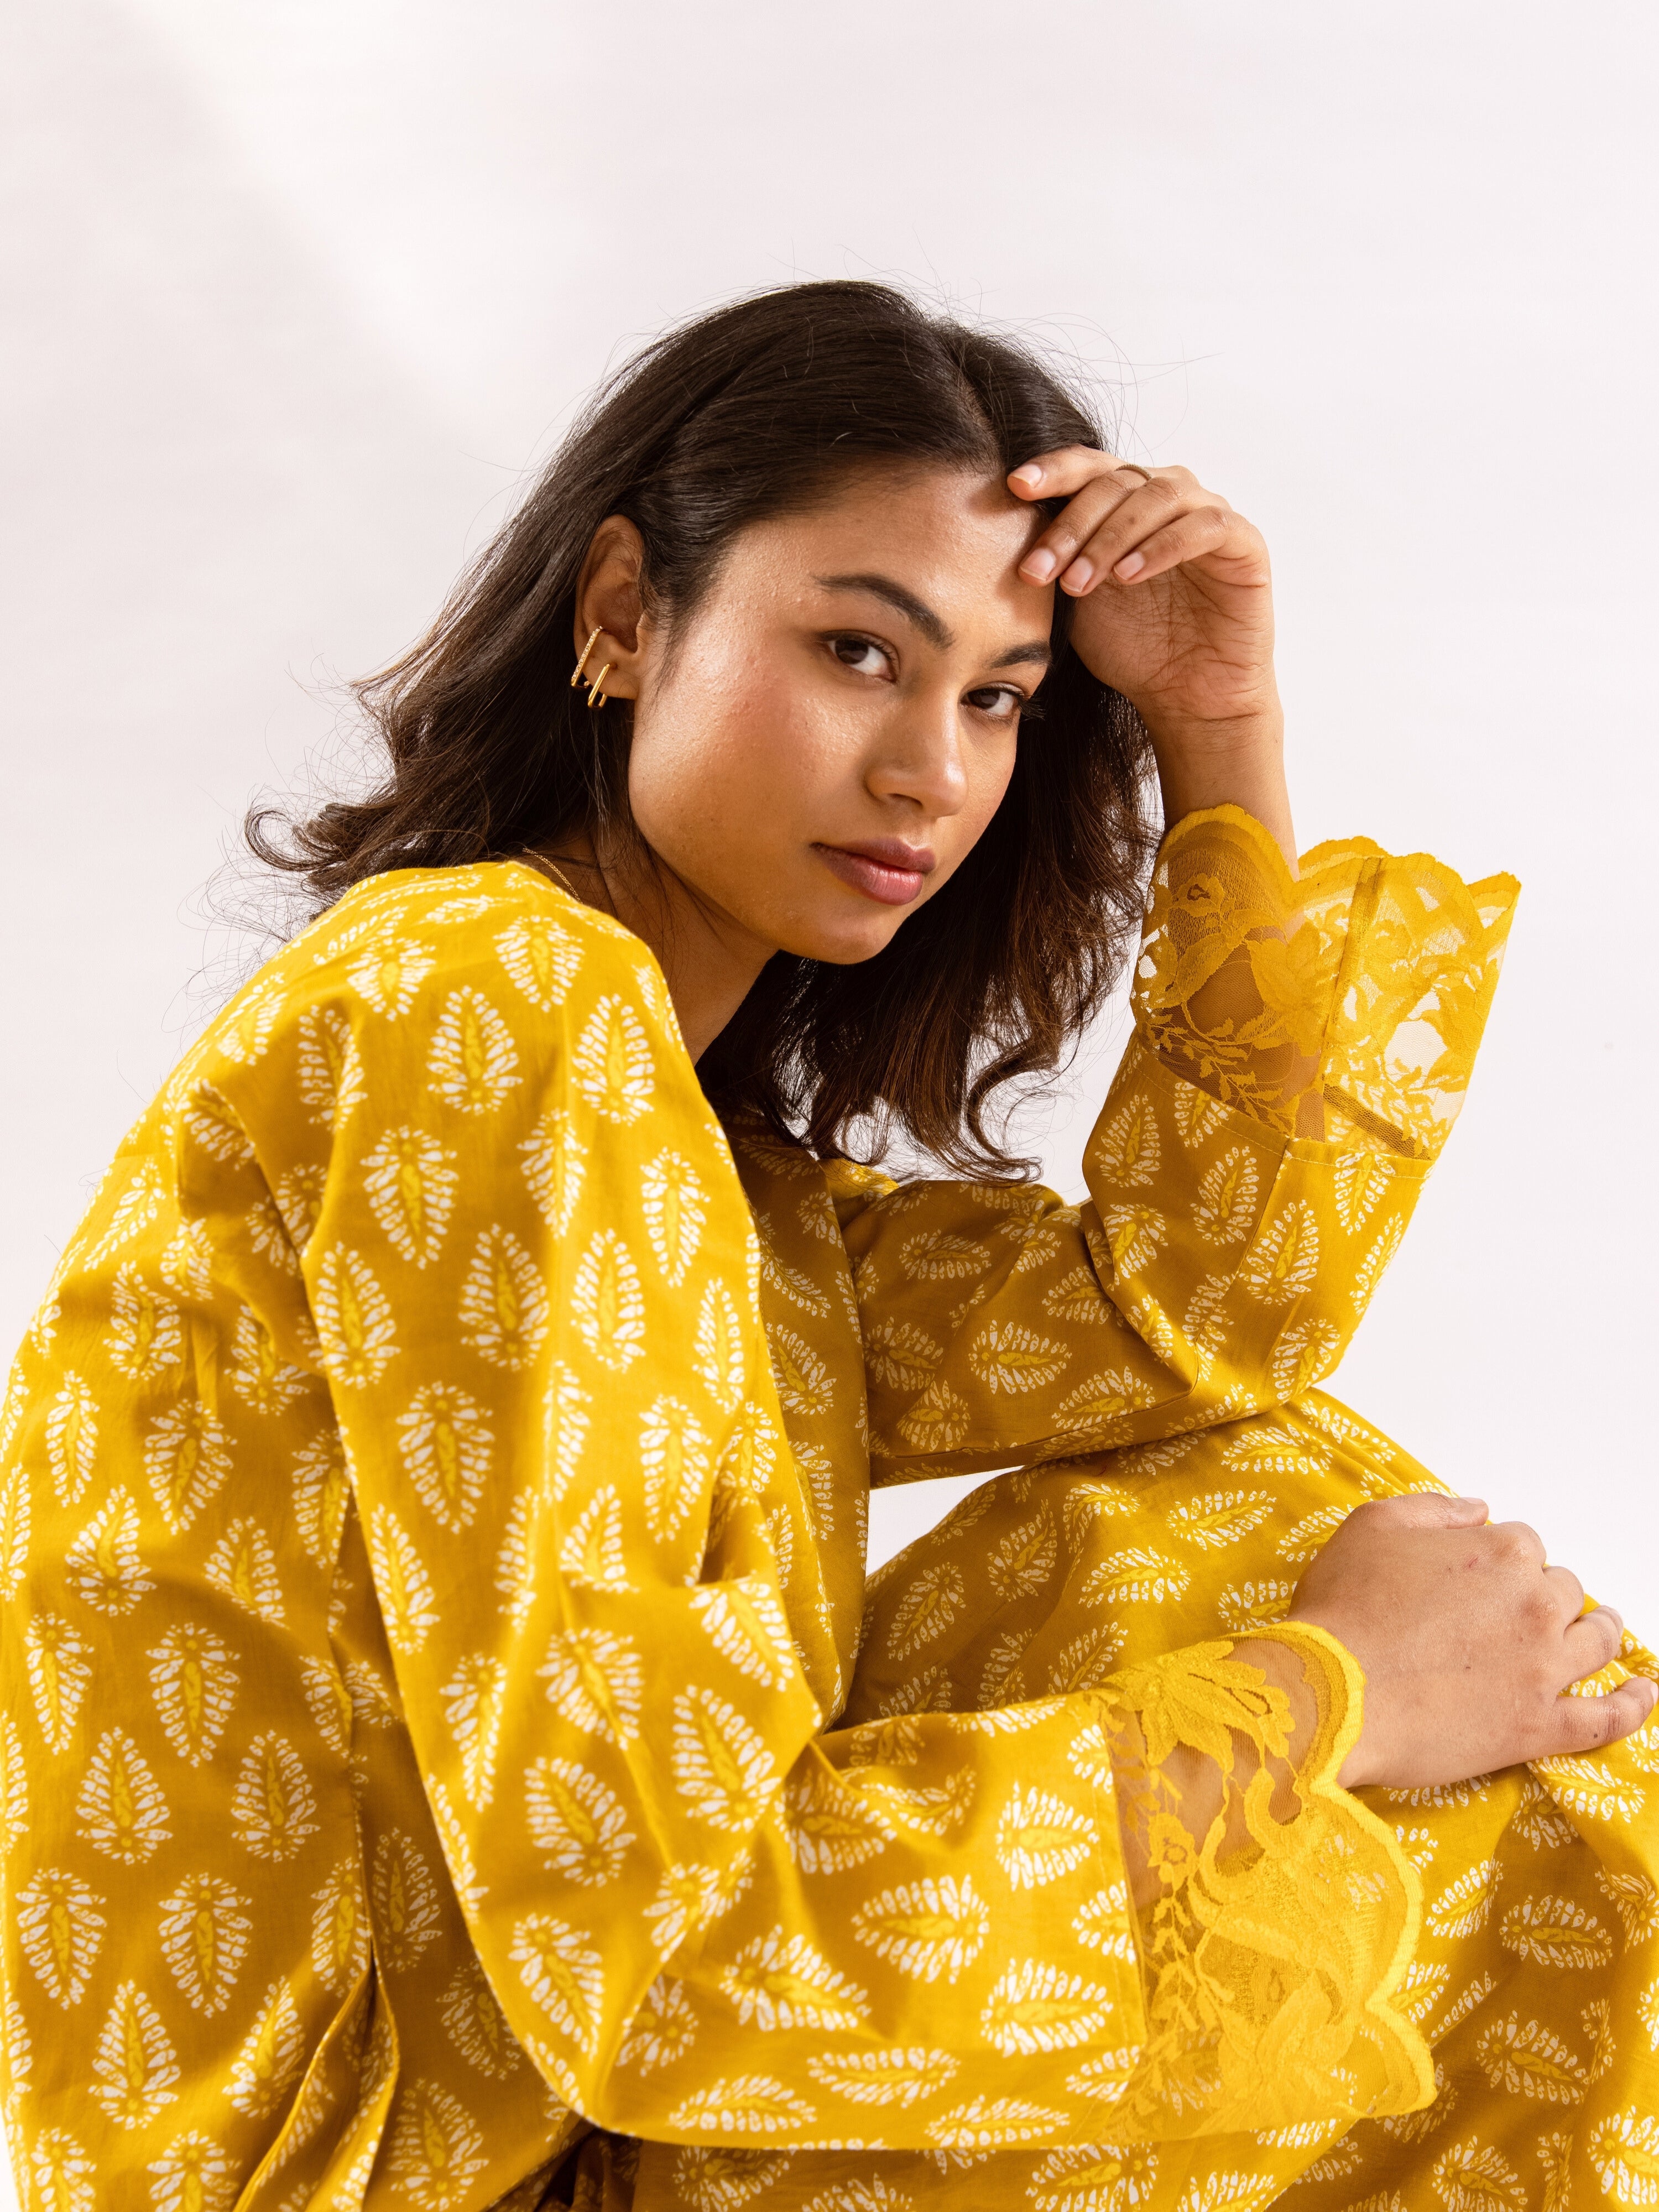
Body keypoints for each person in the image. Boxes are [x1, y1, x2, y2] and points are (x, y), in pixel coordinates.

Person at [1, 281, 1653, 2212]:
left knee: (1242, 1498)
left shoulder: (719, 1183)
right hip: (386, 2178)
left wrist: (1220, 730)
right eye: (861, 651)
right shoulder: (488, 1000)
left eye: (998, 698)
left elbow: (1202, 1313)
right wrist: (1336, 1699)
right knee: (1359, 1680)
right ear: (626, 611)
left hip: (547, 2128)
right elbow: (661, 1958)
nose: (931, 772)